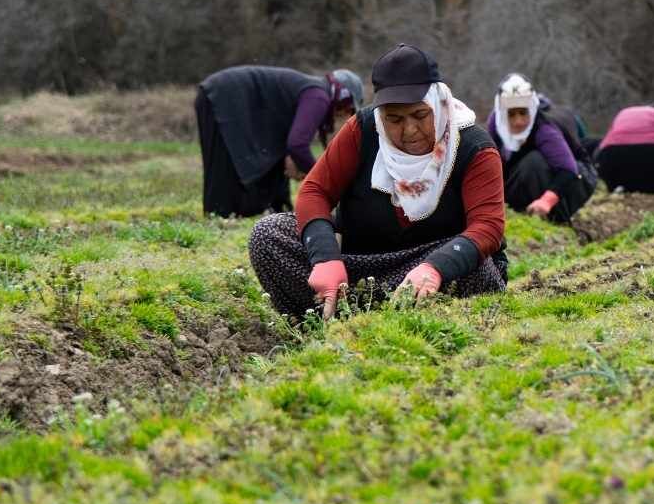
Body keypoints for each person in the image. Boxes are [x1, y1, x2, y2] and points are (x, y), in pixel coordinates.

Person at [247, 44, 508, 318]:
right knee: (268, 235)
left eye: (420, 115)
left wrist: (436, 267)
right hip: (359, 266)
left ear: (438, 104)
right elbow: (315, 191)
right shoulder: (363, 130)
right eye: (394, 119)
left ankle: (378, 319)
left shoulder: (473, 148)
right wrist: (324, 257)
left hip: (431, 267)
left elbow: (488, 227)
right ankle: (327, 318)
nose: (409, 130)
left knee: (476, 269)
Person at [195, 66, 364, 217]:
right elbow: (297, 145)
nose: (345, 113)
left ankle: (271, 209)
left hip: (226, 95)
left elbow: (292, 144)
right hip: (221, 95)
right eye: (348, 107)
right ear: (342, 96)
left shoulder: (314, 91)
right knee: (222, 161)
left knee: (267, 157)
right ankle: (218, 214)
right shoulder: (318, 96)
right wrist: (319, 178)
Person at [487, 73, 597, 223]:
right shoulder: (496, 125)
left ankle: (553, 218)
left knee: (534, 162)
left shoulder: (544, 129)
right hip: (525, 175)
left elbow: (568, 170)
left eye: (523, 113)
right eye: (511, 114)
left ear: (531, 109)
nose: (518, 121)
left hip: (577, 176)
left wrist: (546, 201)